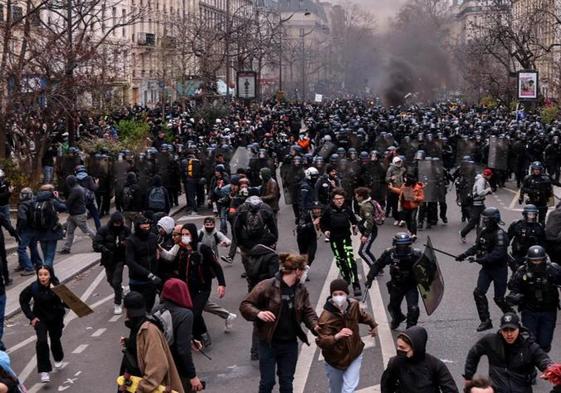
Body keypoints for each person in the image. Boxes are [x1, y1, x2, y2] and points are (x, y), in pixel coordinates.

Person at [240, 254, 318, 393]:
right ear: (297, 271)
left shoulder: (301, 289)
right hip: (268, 342)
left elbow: (307, 311)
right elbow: (246, 305)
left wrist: (315, 326)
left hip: (289, 343)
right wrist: (259, 313)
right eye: (303, 270)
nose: (304, 273)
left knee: (287, 383)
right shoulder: (267, 285)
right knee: (267, 383)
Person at [464, 312, 553, 393]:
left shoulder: (529, 345)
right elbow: (474, 353)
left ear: (519, 328)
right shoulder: (490, 341)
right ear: (501, 330)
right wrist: (469, 376)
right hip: (497, 390)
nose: (509, 334)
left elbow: (543, 359)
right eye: (505, 330)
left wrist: (549, 369)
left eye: (512, 330)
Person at [316, 278, 378, 393]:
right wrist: (337, 336)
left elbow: (363, 316)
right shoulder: (326, 316)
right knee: (336, 390)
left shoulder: (353, 305)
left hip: (354, 353)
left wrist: (373, 325)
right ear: (331, 296)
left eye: (341, 293)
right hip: (335, 360)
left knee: (348, 390)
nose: (338, 297)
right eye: (335, 294)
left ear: (347, 294)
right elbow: (322, 341)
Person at [456, 207, 512, 331]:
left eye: (486, 220)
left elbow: (498, 254)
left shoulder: (500, 234)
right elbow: (477, 247)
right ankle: (486, 321)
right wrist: (464, 255)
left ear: (493, 220)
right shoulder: (483, 232)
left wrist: (479, 259)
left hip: (499, 270)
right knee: (478, 293)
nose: (484, 222)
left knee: (499, 299)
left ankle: (512, 318)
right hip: (487, 270)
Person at [119, 291, 185, 393]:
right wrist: (129, 343)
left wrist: (141, 388)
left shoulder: (149, 330)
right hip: (135, 383)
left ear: (128, 311)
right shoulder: (137, 326)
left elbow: (158, 366)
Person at [506, 245, 561, 352]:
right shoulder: (522, 272)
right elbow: (512, 288)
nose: (537, 263)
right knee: (530, 342)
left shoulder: (553, 270)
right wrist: (514, 298)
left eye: (539, 260)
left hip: (548, 311)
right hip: (529, 311)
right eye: (534, 261)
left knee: (545, 344)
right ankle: (531, 365)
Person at [19, 265, 67, 383]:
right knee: (42, 342)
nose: (43, 277)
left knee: (55, 340)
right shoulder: (33, 287)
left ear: (50, 275)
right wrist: (31, 317)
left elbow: (69, 302)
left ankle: (58, 357)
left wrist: (78, 307)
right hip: (40, 319)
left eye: (45, 274)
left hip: (56, 318)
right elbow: (23, 300)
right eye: (40, 274)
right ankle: (44, 371)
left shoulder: (57, 285)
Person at [366, 232, 422, 330]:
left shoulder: (416, 254)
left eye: (405, 246)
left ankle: (410, 329)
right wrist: (370, 277)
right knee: (393, 307)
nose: (402, 248)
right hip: (396, 285)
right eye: (400, 246)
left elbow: (427, 267)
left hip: (411, 285)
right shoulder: (390, 254)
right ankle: (397, 319)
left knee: (413, 308)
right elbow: (378, 264)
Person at [381, 325, 458, 393]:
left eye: (402, 348)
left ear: (415, 348)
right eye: (398, 346)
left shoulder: (435, 365)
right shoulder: (396, 362)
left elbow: (450, 389)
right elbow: (387, 385)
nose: (398, 349)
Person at [159, 278, 204, 392]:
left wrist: (190, 339)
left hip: (160, 363)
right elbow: (183, 350)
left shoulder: (157, 309)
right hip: (177, 367)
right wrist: (192, 376)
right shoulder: (185, 315)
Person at [320, 188, 361, 297]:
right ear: (333, 200)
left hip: (345, 239)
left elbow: (354, 220)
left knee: (350, 260)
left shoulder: (347, 209)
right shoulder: (328, 210)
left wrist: (354, 226)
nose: (339, 201)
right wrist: (326, 231)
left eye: (341, 199)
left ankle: (356, 284)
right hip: (334, 239)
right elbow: (322, 223)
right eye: (336, 199)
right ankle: (346, 277)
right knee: (340, 260)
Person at [93, 211, 130, 315]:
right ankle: (119, 290)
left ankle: (117, 303)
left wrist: (126, 243)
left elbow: (131, 240)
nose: (118, 225)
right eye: (116, 223)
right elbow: (96, 244)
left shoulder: (125, 229)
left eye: (119, 223)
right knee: (110, 280)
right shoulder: (104, 230)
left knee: (116, 281)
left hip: (120, 259)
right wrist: (104, 249)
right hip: (108, 259)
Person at [125, 215, 161, 312]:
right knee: (138, 308)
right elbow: (130, 261)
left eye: (148, 227)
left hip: (150, 282)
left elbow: (157, 253)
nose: (146, 230)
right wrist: (148, 274)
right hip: (137, 281)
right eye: (144, 228)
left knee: (149, 306)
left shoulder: (153, 237)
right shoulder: (131, 241)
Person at [59, 175, 95, 254]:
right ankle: (66, 248)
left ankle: (98, 242)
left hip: (78, 214)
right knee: (70, 231)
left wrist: (57, 199)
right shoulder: (78, 188)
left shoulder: (75, 190)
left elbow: (68, 202)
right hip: (75, 213)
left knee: (86, 230)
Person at [32, 184, 66, 267]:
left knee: (45, 255)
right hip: (52, 232)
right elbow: (64, 207)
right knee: (50, 256)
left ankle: (48, 275)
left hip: (39, 232)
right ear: (51, 191)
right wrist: (57, 198)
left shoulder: (35, 201)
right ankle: (45, 271)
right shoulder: (52, 202)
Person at [507, 204, 546, 272]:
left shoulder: (539, 227)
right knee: (517, 275)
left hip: (533, 256)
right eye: (530, 214)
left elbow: (543, 242)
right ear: (525, 214)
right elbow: (507, 239)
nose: (531, 217)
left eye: (533, 214)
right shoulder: (517, 225)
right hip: (518, 255)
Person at [460, 168, 493, 242]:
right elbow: (480, 192)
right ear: (487, 175)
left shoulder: (484, 180)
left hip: (481, 204)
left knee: (481, 223)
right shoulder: (481, 181)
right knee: (473, 222)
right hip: (476, 205)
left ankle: (478, 240)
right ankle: (463, 233)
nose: (491, 177)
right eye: (490, 175)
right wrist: (488, 190)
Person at [16, 187, 41, 276]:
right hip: (35, 228)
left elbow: (22, 219)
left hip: (26, 229)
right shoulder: (34, 203)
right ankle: (37, 263)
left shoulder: (22, 205)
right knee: (33, 246)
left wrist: (19, 229)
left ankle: (29, 267)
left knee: (21, 249)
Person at [355, 187, 381, 267]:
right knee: (366, 250)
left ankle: (374, 268)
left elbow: (370, 222)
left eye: (356, 195)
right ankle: (378, 267)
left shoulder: (366, 207)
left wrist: (366, 235)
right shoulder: (368, 203)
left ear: (361, 197)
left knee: (362, 252)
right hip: (370, 231)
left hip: (370, 232)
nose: (355, 197)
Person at [296, 201, 322, 270]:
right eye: (315, 209)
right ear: (312, 209)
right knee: (303, 256)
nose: (317, 211)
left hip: (312, 237)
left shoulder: (321, 215)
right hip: (303, 238)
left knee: (311, 255)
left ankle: (305, 269)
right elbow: (300, 227)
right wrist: (312, 223)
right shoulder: (305, 215)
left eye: (318, 209)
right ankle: (301, 270)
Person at [385, 156, 406, 225]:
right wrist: (391, 178)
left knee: (403, 205)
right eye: (397, 162)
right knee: (394, 205)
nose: (398, 163)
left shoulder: (403, 169)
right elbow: (386, 179)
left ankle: (402, 219)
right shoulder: (390, 169)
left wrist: (405, 179)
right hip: (394, 189)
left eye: (399, 162)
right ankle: (396, 218)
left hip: (402, 189)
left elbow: (406, 176)